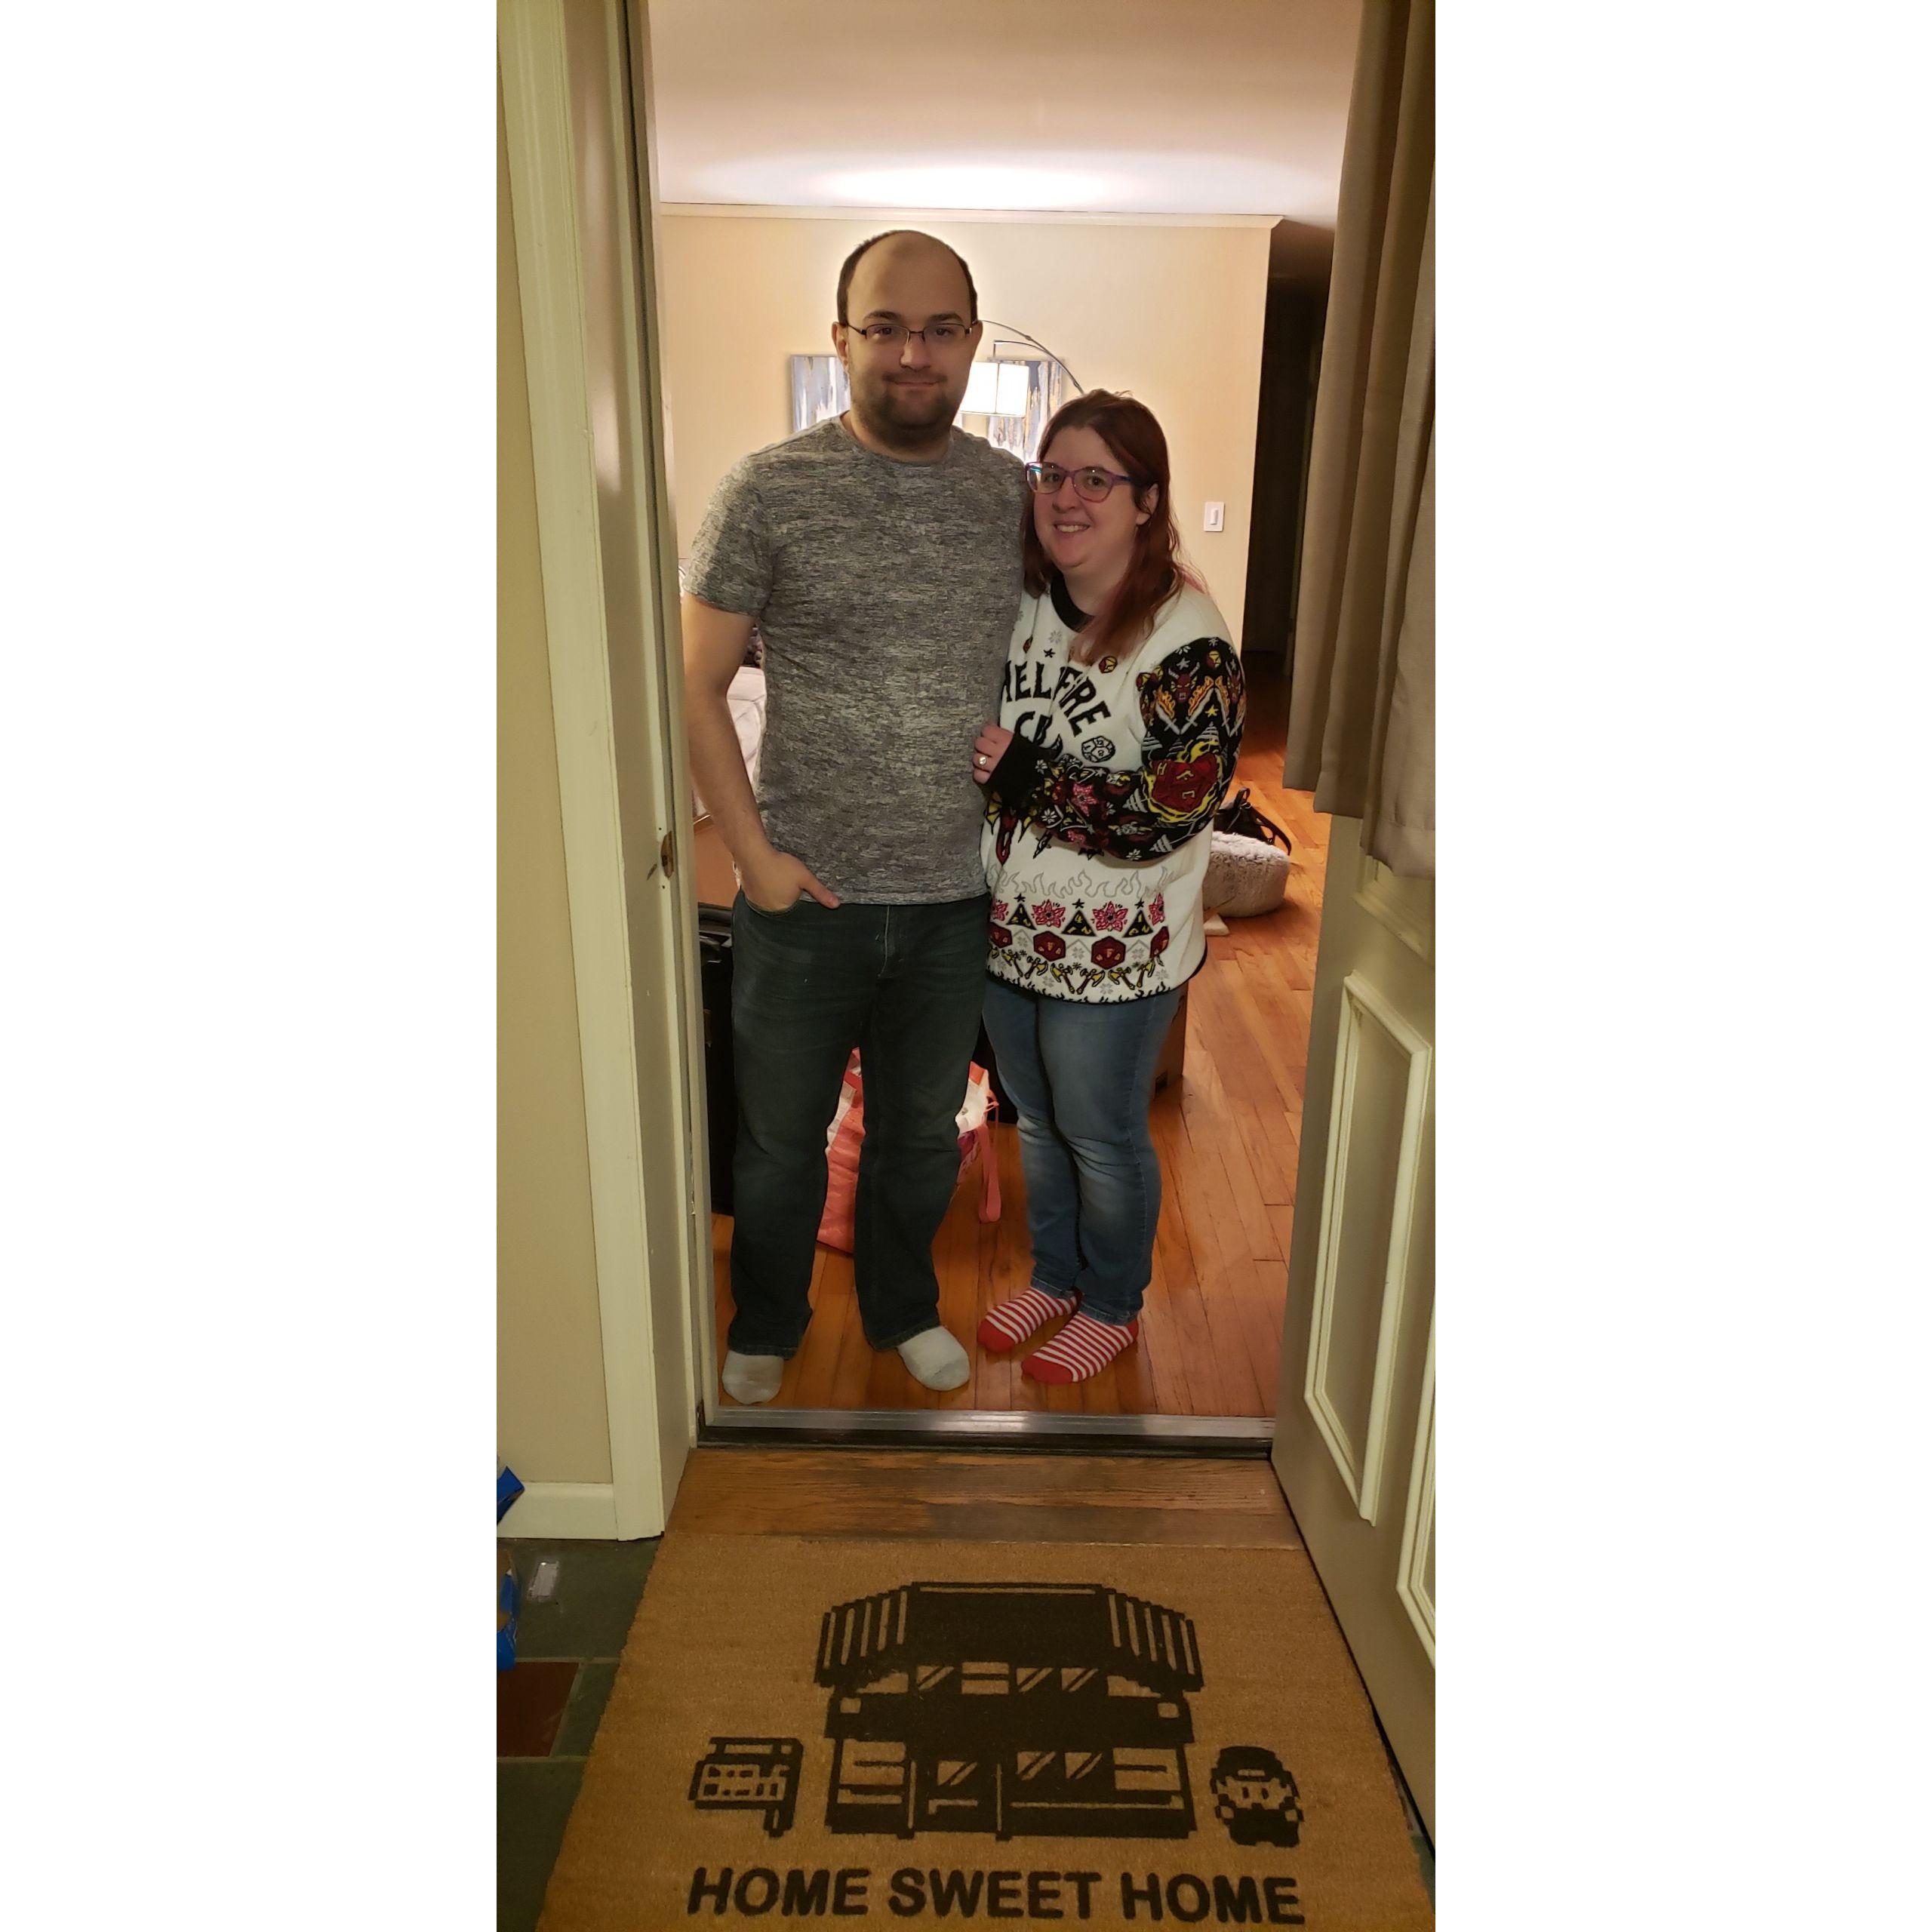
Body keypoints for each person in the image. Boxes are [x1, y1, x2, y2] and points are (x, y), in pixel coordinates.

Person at [682, 230, 1029, 1405]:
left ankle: (901, 1307)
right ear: (843, 340)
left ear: (972, 343)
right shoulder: (768, 490)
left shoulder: (1009, 497)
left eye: (939, 329)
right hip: (804, 901)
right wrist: (754, 859)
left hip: (953, 903)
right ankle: (770, 1320)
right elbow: (695, 682)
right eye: (886, 327)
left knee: (920, 1140)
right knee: (779, 1140)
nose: (913, 353)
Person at [971, 392, 1245, 1384]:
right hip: (1011, 931)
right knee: (1038, 1124)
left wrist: (1026, 778)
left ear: (1147, 501)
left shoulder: (1187, 640)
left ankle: (1114, 1304)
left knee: (1100, 1135)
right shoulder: (1025, 606)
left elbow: (1172, 811)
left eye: (1097, 478)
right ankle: (1057, 1277)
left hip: (1122, 952)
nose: (1067, 497)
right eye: (1052, 474)